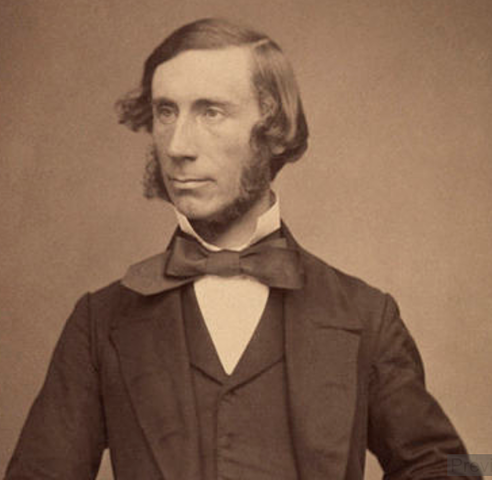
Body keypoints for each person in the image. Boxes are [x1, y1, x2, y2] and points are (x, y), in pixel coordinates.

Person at [5, 17, 479, 480]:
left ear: (275, 129)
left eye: (210, 112)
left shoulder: (366, 316)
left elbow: (450, 467)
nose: (178, 146)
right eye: (166, 112)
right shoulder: (100, 322)